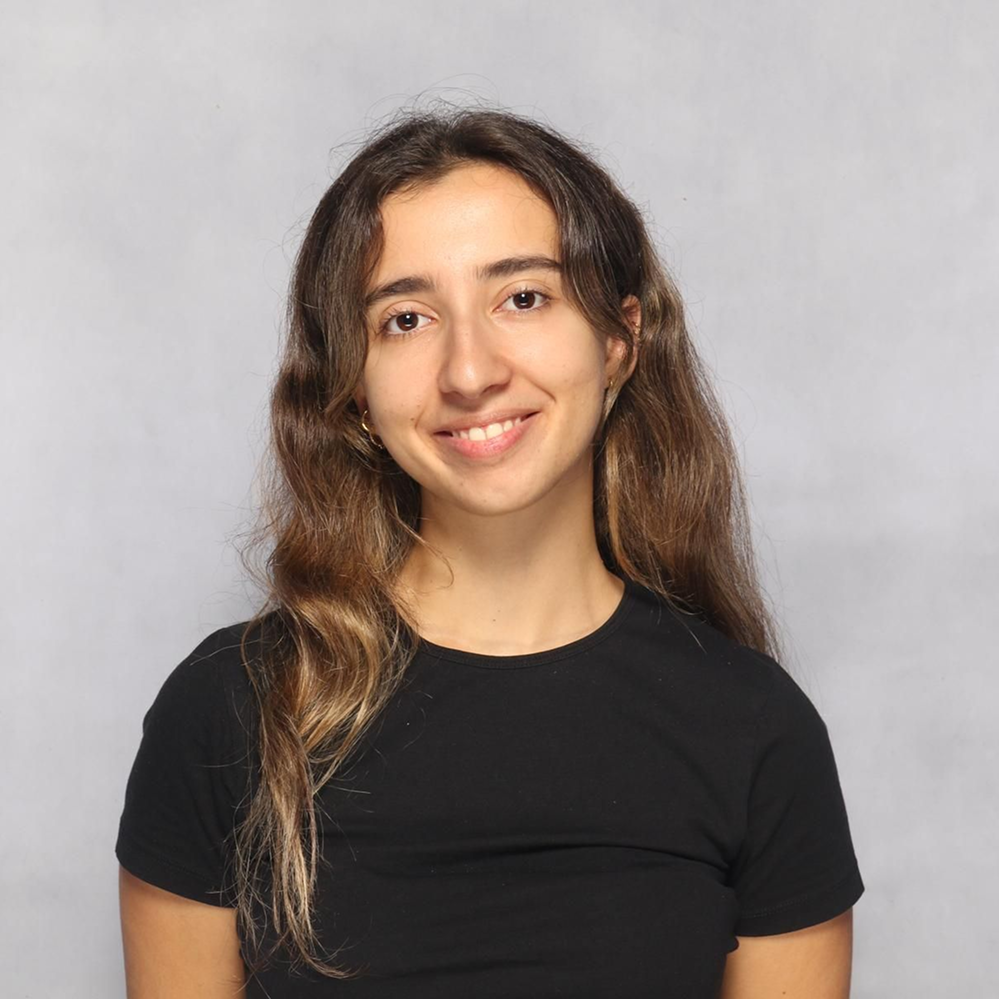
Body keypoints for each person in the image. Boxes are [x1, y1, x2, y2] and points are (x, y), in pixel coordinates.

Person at [116, 105, 864, 998]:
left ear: (619, 341)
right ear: (353, 390)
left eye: (523, 298)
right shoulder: (230, 712)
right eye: (405, 318)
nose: (469, 372)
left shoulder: (755, 730)